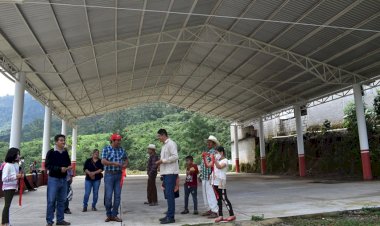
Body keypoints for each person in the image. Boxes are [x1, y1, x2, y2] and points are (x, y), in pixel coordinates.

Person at [204, 146, 236, 223]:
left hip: (221, 181)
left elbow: (219, 167)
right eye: (215, 153)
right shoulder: (216, 160)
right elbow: (208, 165)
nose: (215, 154)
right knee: (218, 199)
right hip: (215, 182)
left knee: (224, 198)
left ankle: (231, 214)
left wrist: (214, 159)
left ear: (221, 152)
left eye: (216, 152)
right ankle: (220, 215)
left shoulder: (225, 161)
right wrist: (204, 157)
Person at [45, 134, 72, 226]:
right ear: (56, 142)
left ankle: (60, 220)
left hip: (64, 179)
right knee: (51, 200)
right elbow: (47, 166)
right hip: (53, 179)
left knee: (62, 201)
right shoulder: (51, 152)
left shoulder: (65, 152)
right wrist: (59, 169)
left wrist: (67, 168)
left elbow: (68, 163)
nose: (63, 142)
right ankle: (49, 221)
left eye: (64, 140)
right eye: (61, 140)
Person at [101, 133, 128, 223]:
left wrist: (125, 165)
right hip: (109, 175)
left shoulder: (122, 150)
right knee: (108, 196)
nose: (119, 142)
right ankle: (109, 214)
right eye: (117, 140)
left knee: (117, 196)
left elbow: (126, 159)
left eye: (120, 140)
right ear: (112, 140)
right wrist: (114, 163)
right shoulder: (106, 149)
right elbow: (103, 161)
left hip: (119, 175)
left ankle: (114, 215)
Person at [155, 129, 179, 224]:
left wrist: (162, 161)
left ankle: (171, 217)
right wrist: (160, 166)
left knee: (170, 195)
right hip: (166, 173)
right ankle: (169, 215)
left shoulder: (171, 144)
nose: (158, 138)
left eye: (159, 136)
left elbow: (175, 156)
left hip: (171, 173)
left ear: (163, 135)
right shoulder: (164, 145)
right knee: (168, 195)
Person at [2, 148, 23, 226]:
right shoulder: (7, 165)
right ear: (12, 155)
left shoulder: (16, 165)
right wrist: (15, 176)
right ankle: (5, 222)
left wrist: (20, 176)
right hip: (8, 188)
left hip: (13, 187)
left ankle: (6, 222)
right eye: (17, 154)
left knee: (8, 205)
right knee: (7, 205)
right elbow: (4, 178)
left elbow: (16, 176)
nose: (18, 156)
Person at [200, 135, 219, 218]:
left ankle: (215, 211)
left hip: (209, 176)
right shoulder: (208, 152)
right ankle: (209, 209)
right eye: (208, 142)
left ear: (214, 144)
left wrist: (210, 174)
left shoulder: (214, 152)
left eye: (210, 142)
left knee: (210, 194)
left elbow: (212, 165)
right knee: (205, 194)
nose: (208, 143)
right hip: (204, 176)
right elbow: (203, 164)